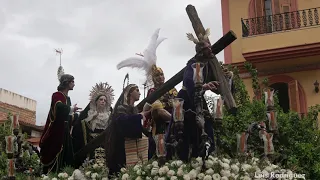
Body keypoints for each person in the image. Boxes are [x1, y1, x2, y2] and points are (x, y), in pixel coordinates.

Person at [116, 28, 175, 161]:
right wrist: (175, 120)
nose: (160, 77)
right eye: (157, 75)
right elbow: (158, 111)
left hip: (176, 126)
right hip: (161, 127)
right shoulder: (152, 92)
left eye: (162, 74)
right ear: (153, 79)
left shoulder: (172, 89)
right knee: (163, 156)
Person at [167, 29, 220, 161]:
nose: (211, 50)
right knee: (186, 133)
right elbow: (190, 82)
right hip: (187, 101)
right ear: (201, 51)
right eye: (208, 48)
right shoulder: (192, 65)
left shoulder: (206, 65)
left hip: (200, 100)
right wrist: (204, 86)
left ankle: (205, 157)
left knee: (205, 129)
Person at [39, 65, 81, 174]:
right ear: (66, 83)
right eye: (72, 82)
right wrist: (71, 109)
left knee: (66, 158)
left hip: (65, 133)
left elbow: (67, 117)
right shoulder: (57, 95)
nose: (74, 84)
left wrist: (75, 116)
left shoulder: (68, 99)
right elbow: (59, 108)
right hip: (56, 133)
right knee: (56, 156)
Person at [106, 84, 150, 176]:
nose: (140, 93)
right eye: (137, 90)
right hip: (121, 148)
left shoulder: (134, 109)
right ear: (130, 93)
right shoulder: (120, 108)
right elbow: (122, 123)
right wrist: (139, 116)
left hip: (134, 147)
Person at [72, 82, 114, 167]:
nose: (103, 102)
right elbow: (80, 126)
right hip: (93, 141)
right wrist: (91, 118)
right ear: (96, 101)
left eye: (105, 100)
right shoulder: (90, 113)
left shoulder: (109, 114)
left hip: (106, 141)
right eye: (101, 99)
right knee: (93, 162)